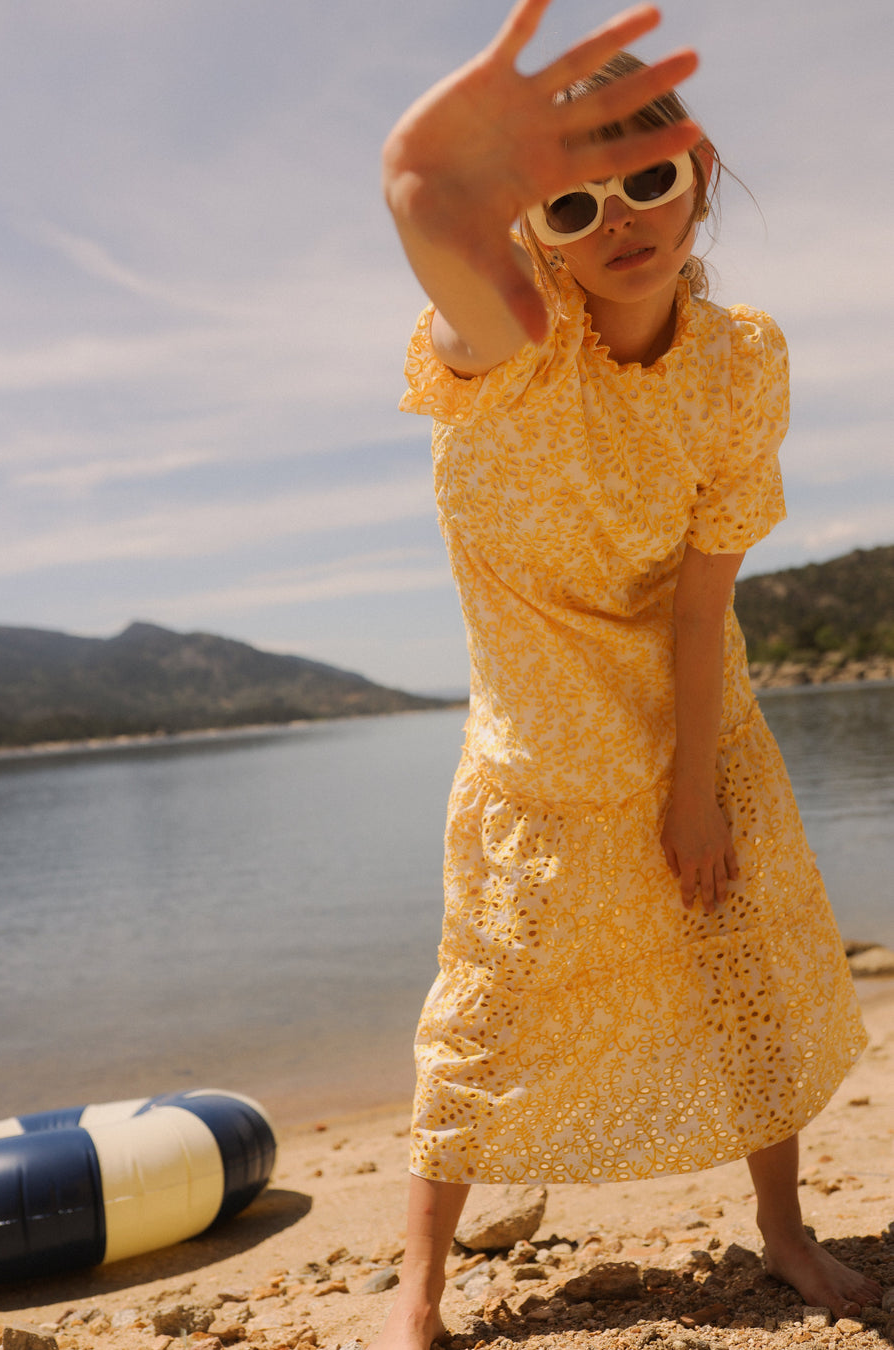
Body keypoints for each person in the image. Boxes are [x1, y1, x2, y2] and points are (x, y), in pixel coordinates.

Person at [377, 3, 882, 1346]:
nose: (622, 219)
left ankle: (783, 1233)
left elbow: (709, 592)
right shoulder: (514, 352)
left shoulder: (741, 363)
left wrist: (698, 785)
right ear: (532, 229)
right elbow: (434, 226)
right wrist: (419, 174)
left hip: (696, 714)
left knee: (748, 976)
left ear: (698, 178)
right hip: (541, 749)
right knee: (482, 1014)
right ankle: (418, 1300)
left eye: (650, 178)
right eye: (573, 200)